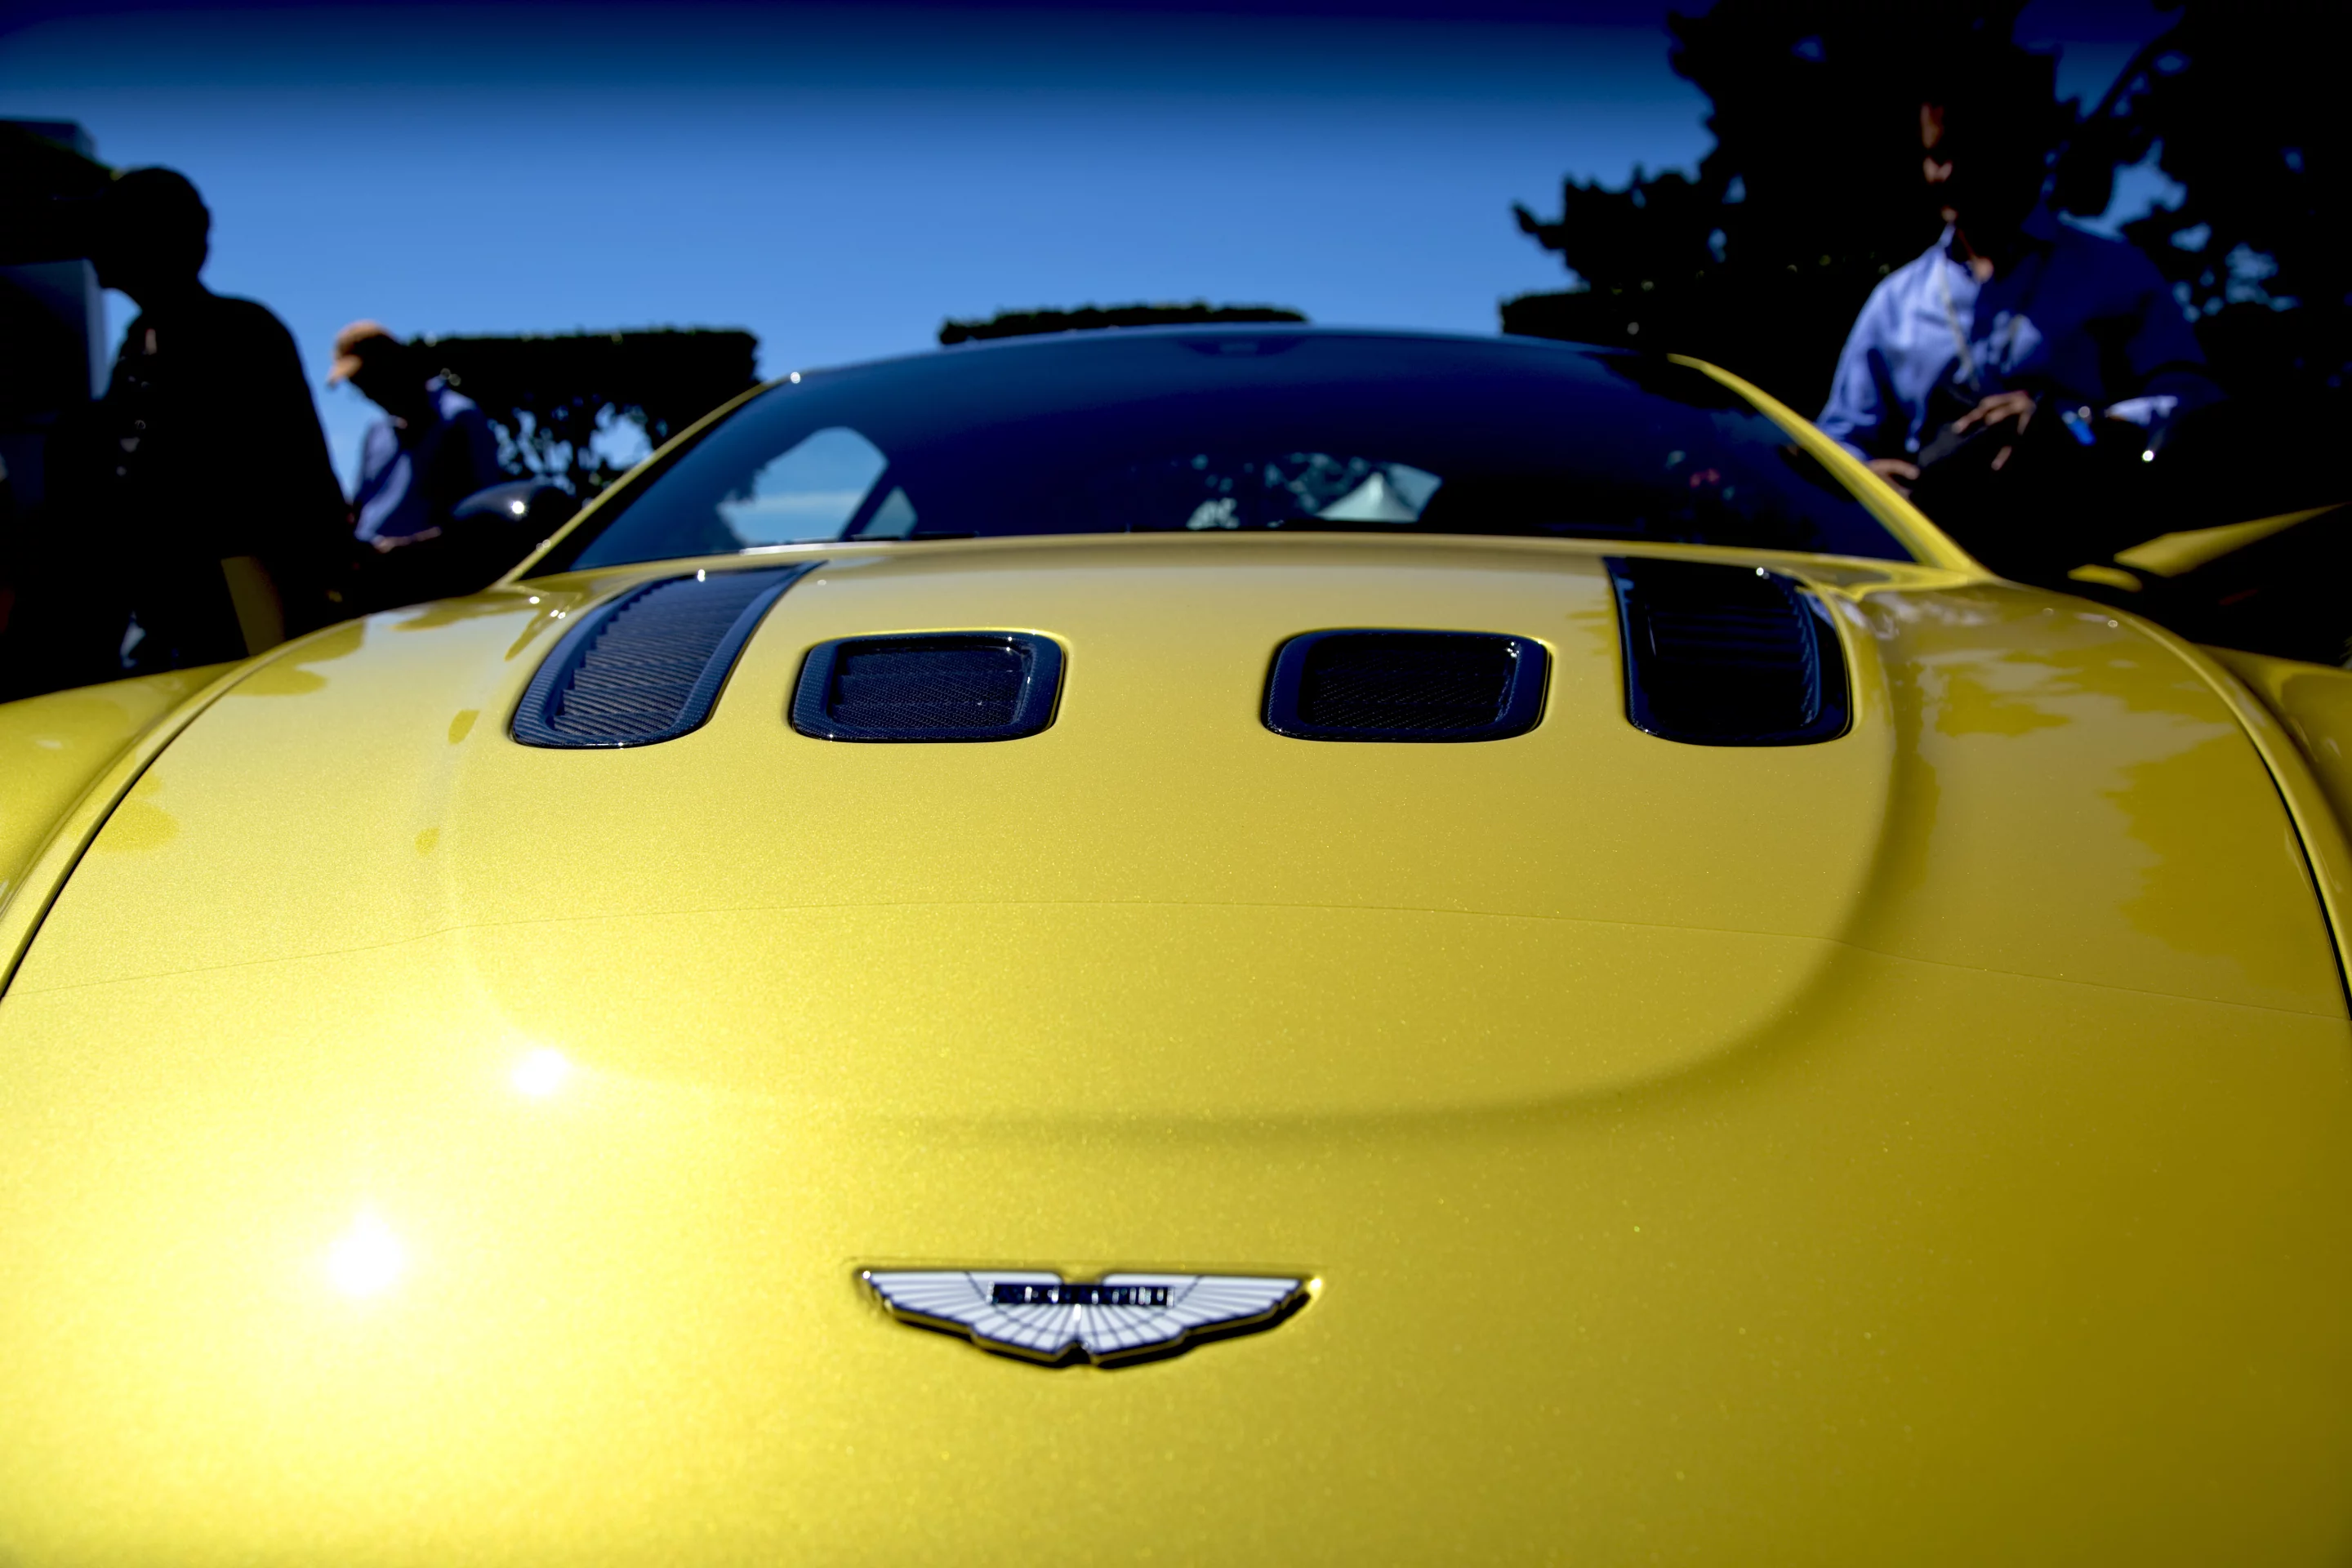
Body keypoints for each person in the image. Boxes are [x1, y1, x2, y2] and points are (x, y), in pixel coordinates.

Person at [1815, 58, 2220, 572]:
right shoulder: (1896, 300)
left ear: (2023, 151)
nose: (1949, 174)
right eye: (1935, 156)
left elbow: (2192, 399)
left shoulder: (2114, 273)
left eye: (1967, 152)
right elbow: (1836, 436)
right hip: (1930, 571)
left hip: (2089, 558)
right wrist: (1864, 476)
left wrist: (2073, 426)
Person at [60, 167, 350, 675]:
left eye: (110, 226)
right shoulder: (136, 345)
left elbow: (301, 483)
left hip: (239, 616)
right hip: (150, 616)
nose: (93, 245)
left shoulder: (240, 333)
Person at [331, 321, 504, 556]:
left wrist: (405, 550)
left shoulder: (458, 418)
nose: (366, 394)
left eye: (367, 379)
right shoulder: (377, 432)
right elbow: (361, 509)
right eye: (357, 386)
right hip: (369, 575)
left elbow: (483, 515)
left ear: (393, 364)